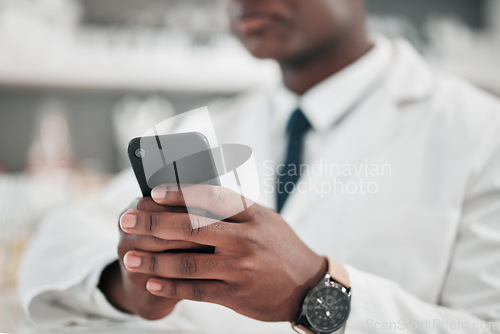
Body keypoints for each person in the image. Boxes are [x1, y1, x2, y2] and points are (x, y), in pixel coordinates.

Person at [19, 0, 500, 333]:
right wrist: (125, 285)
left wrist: (316, 294)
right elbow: (59, 242)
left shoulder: (480, 131)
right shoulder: (204, 128)